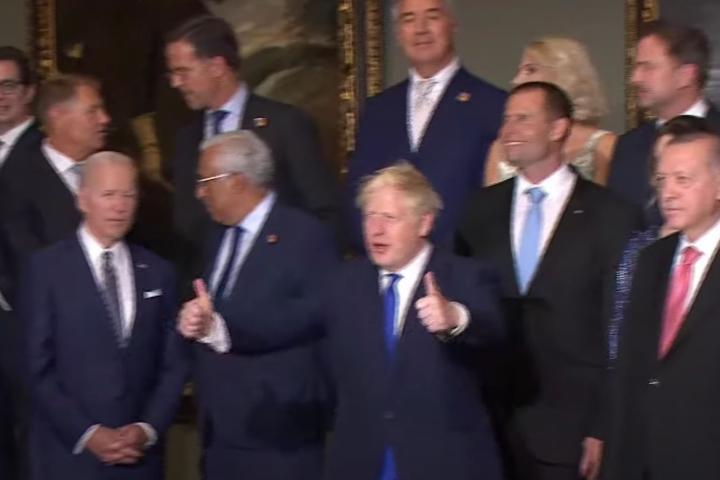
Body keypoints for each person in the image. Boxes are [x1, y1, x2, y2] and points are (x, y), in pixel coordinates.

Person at [456, 81, 639, 480]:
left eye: (523, 118)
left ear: (558, 128)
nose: (508, 130)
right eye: (506, 119)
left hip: (570, 428)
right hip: (489, 423)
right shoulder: (479, 210)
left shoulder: (613, 216)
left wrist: (603, 425)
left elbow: (623, 331)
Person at [323, 162, 504, 480]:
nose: (376, 229)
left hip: (443, 462)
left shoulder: (465, 275)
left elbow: (494, 330)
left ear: (424, 223)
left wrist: (455, 318)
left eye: (389, 218)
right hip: (363, 460)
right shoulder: (344, 282)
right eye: (369, 216)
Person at [176, 131, 336, 480]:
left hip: (278, 431)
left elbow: (312, 314)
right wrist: (194, 319)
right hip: (219, 431)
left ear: (236, 182)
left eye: (205, 181)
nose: (199, 192)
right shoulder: (214, 235)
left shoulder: (305, 235)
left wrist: (225, 328)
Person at [19, 151, 188, 480]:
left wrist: (147, 428)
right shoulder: (45, 270)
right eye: (109, 195)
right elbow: (34, 368)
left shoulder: (159, 272)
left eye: (129, 195)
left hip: (139, 459)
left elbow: (174, 363)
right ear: (82, 199)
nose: (120, 206)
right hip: (68, 458)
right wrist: (87, 434)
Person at [164, 15, 338, 283]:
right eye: (172, 73)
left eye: (183, 72)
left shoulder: (284, 124)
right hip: (209, 293)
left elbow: (324, 212)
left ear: (217, 66)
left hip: (279, 289)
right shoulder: (186, 138)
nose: (175, 83)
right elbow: (186, 230)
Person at [601, 131, 720, 480]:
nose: (668, 193)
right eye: (662, 180)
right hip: (645, 458)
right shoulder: (651, 259)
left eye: (683, 180)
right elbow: (629, 370)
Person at [343, 0, 506, 250]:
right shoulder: (378, 109)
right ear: (398, 33)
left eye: (432, 17)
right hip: (387, 266)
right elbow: (358, 191)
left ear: (452, 24)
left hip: (461, 264)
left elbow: (498, 203)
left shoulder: (492, 104)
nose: (421, 29)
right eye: (409, 19)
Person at [607, 115, 713, 362]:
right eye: (662, 175)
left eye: (682, 176)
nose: (669, 190)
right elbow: (621, 341)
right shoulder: (642, 254)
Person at [0, 74, 110, 301]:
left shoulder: (114, 169)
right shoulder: (15, 182)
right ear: (58, 115)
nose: (105, 119)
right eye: (92, 111)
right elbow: (21, 267)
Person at [608, 21, 720, 224]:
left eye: (648, 67)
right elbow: (616, 225)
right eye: (636, 67)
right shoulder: (627, 146)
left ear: (686, 75)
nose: (635, 78)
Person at [484, 37, 616, 185]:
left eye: (530, 70)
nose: (516, 80)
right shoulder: (502, 147)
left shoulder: (604, 145)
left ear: (565, 74)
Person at [0, 45, 42, 480]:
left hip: (25, 321)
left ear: (29, 92)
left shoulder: (47, 152)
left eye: (8, 86)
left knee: (31, 441)